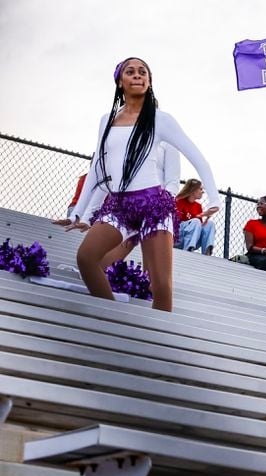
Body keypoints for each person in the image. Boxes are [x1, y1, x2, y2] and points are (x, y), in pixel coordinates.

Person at [65, 57, 220, 311]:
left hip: (154, 205)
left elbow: (198, 158)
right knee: (86, 258)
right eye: (130, 72)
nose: (137, 76)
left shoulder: (161, 119)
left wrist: (213, 199)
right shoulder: (106, 120)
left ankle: (159, 342)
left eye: (143, 72)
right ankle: (112, 320)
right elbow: (97, 169)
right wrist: (78, 214)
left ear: (149, 81)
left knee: (160, 286)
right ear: (120, 82)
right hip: (119, 205)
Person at [175, 178, 217, 255]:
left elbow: (199, 227)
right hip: (178, 238)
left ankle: (207, 251)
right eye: (200, 189)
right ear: (193, 190)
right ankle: (188, 249)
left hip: (194, 238)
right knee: (195, 221)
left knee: (210, 224)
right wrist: (199, 217)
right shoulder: (179, 201)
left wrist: (206, 218)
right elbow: (176, 223)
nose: (203, 192)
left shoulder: (198, 206)